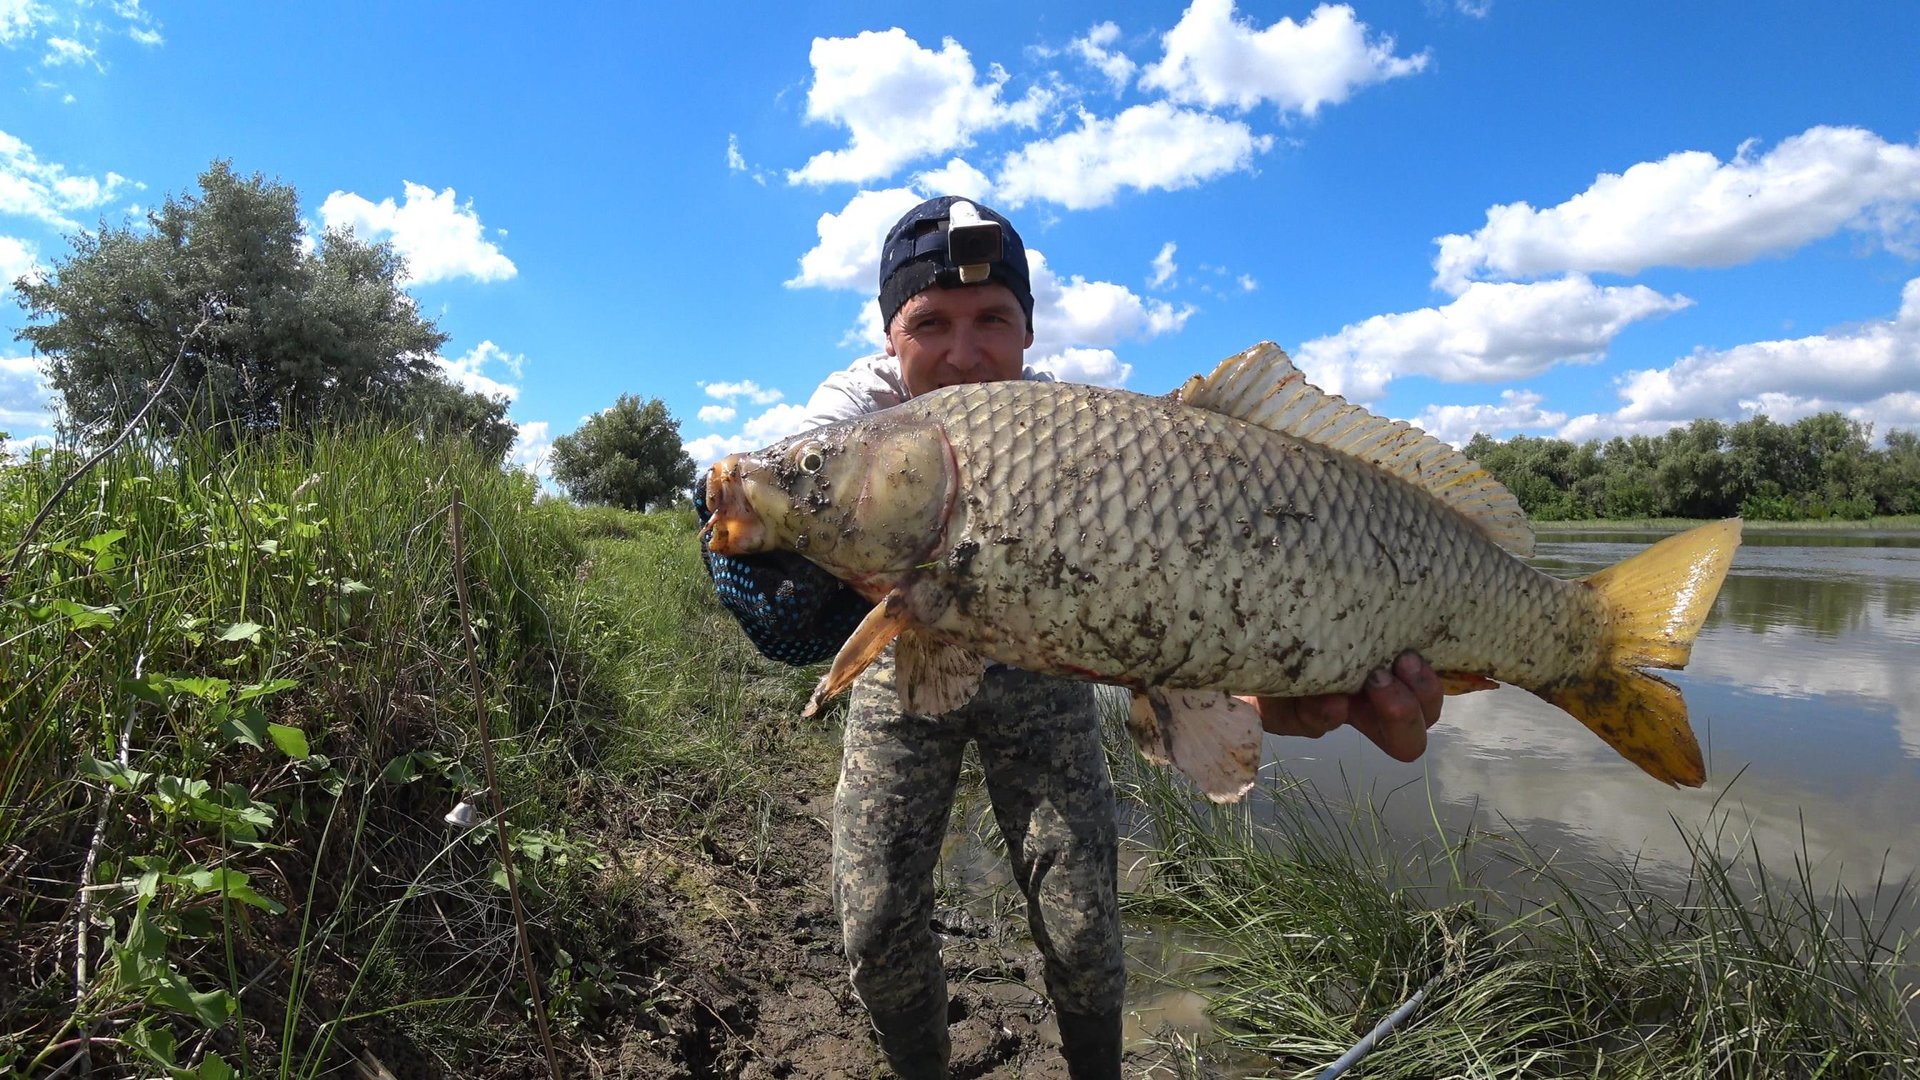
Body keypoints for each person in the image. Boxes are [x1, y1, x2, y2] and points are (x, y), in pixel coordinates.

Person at [698, 197, 1444, 1078]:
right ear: (888, 334)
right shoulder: (856, 415)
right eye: (930, 323)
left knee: (1084, 924)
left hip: (1041, 666)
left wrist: (1268, 694)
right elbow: (757, 497)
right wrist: (755, 551)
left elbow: (1171, 606)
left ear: (1029, 333)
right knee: (874, 920)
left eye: (995, 322)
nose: (965, 353)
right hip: (907, 655)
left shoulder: (1062, 434)